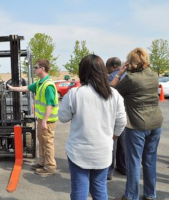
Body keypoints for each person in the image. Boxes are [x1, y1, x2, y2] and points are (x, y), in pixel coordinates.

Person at [58, 54, 126, 200]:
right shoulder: (114, 94)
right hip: (103, 150)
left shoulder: (75, 93)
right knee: (100, 189)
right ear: (102, 71)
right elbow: (121, 122)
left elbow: (63, 118)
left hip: (79, 151)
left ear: (82, 71)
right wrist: (113, 136)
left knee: (79, 191)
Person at [111, 48, 163, 200]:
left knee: (133, 161)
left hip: (137, 124)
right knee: (150, 160)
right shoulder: (154, 76)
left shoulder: (131, 79)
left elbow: (113, 90)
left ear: (130, 62)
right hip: (156, 123)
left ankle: (131, 195)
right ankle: (150, 194)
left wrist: (120, 73)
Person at [7, 59, 59, 176]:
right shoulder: (40, 82)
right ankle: (42, 163)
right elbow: (26, 88)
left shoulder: (48, 84)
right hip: (42, 119)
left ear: (42, 69)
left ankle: (50, 166)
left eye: (36, 67)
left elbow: (50, 104)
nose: (34, 69)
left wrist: (45, 120)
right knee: (41, 141)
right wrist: (13, 89)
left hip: (48, 120)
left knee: (47, 142)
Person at [106, 57, 127, 180]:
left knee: (112, 143)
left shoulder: (111, 78)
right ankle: (123, 167)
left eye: (107, 66)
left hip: (113, 114)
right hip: (125, 114)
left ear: (113, 66)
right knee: (123, 143)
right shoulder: (128, 77)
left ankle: (108, 172)